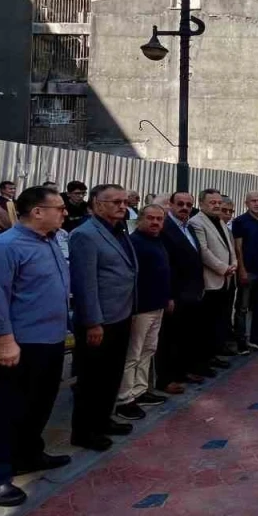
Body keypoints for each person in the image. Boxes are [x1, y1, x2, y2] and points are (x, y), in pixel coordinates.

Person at [0, 187, 71, 507]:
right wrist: (4, 340)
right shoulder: (4, 246)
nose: (64, 213)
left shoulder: (51, 241)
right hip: (20, 344)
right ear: (37, 212)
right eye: (58, 208)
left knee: (41, 403)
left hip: (52, 338)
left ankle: (28, 455)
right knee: (6, 410)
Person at [68, 185, 138, 450]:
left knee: (111, 374)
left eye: (124, 202)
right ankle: (85, 432)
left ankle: (103, 419)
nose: (122, 206)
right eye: (115, 202)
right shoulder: (85, 235)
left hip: (121, 314)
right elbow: (85, 284)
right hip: (99, 321)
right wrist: (93, 322)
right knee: (92, 378)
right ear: (97, 205)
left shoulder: (119, 230)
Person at [119, 204, 172, 418]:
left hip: (157, 305)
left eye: (159, 219)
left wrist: (167, 297)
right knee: (133, 353)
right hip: (140, 308)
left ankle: (140, 390)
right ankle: (124, 398)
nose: (155, 223)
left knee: (148, 350)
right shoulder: (134, 243)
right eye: (150, 218)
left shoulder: (158, 240)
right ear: (140, 219)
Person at [158, 192, 207, 387]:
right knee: (170, 338)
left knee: (187, 335)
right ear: (171, 204)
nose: (184, 208)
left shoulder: (189, 227)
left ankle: (183, 371)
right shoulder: (165, 227)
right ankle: (167, 378)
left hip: (192, 292)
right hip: (175, 293)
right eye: (180, 204)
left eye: (188, 204)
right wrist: (168, 295)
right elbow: (165, 264)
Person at [191, 189, 238, 368]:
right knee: (206, 324)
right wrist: (224, 268)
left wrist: (233, 263)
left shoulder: (219, 220)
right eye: (213, 202)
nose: (217, 205)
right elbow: (204, 251)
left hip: (226, 279)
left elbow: (229, 246)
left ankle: (214, 354)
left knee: (219, 320)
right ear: (202, 204)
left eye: (219, 202)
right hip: (211, 280)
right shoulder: (197, 222)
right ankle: (204, 360)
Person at [232, 192, 258, 352]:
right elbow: (238, 248)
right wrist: (242, 270)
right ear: (246, 203)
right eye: (253, 201)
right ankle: (241, 341)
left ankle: (256, 337)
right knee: (242, 307)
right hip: (248, 271)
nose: (257, 204)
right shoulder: (240, 221)